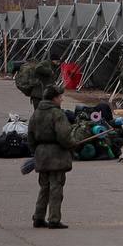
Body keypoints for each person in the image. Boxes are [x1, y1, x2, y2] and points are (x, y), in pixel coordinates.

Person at [27, 86, 76, 229]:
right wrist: (72, 145)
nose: (62, 99)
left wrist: (36, 152)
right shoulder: (57, 114)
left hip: (41, 153)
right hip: (56, 155)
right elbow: (64, 135)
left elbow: (30, 137)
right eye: (60, 97)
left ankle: (38, 217)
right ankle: (54, 219)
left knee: (44, 187)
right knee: (56, 188)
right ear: (54, 98)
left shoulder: (36, 113)